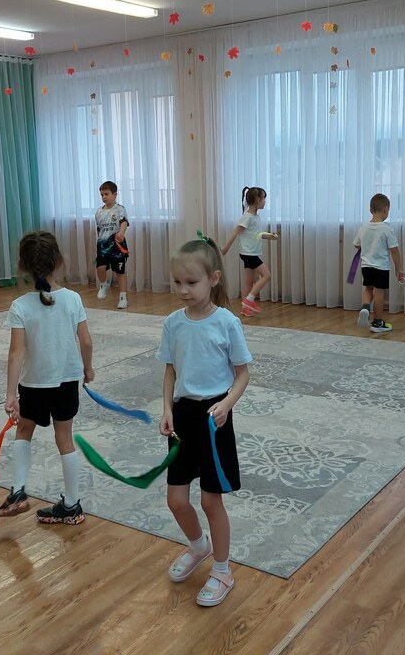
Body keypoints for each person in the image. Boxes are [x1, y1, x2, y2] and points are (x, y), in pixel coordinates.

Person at [157, 235, 252, 607]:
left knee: (211, 502)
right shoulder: (173, 323)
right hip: (182, 415)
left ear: (213, 279)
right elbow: (170, 370)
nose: (183, 290)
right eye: (177, 282)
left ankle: (223, 570)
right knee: (176, 500)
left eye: (191, 282)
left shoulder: (226, 322)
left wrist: (226, 404)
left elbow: (242, 374)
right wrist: (167, 409)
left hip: (215, 418)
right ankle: (198, 546)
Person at [0, 231, 94, 522]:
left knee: (24, 431)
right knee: (64, 438)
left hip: (34, 383)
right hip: (66, 382)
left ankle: (18, 491)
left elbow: (16, 353)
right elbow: (86, 341)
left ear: (22, 267)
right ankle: (72, 505)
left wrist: (10, 394)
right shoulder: (73, 299)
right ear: (60, 261)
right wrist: (87, 368)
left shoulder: (20, 306)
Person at [220, 186, 278, 318]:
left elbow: (256, 234)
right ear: (257, 200)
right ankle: (249, 300)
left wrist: (269, 236)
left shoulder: (255, 217)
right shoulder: (247, 217)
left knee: (249, 282)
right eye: (264, 199)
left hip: (250, 253)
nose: (265, 202)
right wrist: (225, 248)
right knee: (266, 275)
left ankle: (245, 308)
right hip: (248, 253)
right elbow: (236, 232)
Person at [353, 193, 404, 334]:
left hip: (366, 266)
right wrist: (399, 269)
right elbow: (394, 251)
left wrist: (367, 246)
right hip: (381, 267)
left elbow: (356, 244)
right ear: (386, 209)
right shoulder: (387, 229)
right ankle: (378, 322)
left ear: (371, 210)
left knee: (368, 289)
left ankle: (365, 308)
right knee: (379, 293)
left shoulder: (364, 227)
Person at [95, 180, 130, 310]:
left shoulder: (120, 209)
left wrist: (121, 233)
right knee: (100, 267)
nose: (104, 197)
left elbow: (124, 222)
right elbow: (99, 229)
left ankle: (123, 297)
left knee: (119, 271)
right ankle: (103, 284)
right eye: (102, 195)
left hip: (117, 245)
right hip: (103, 246)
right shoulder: (99, 212)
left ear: (114, 195)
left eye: (106, 194)